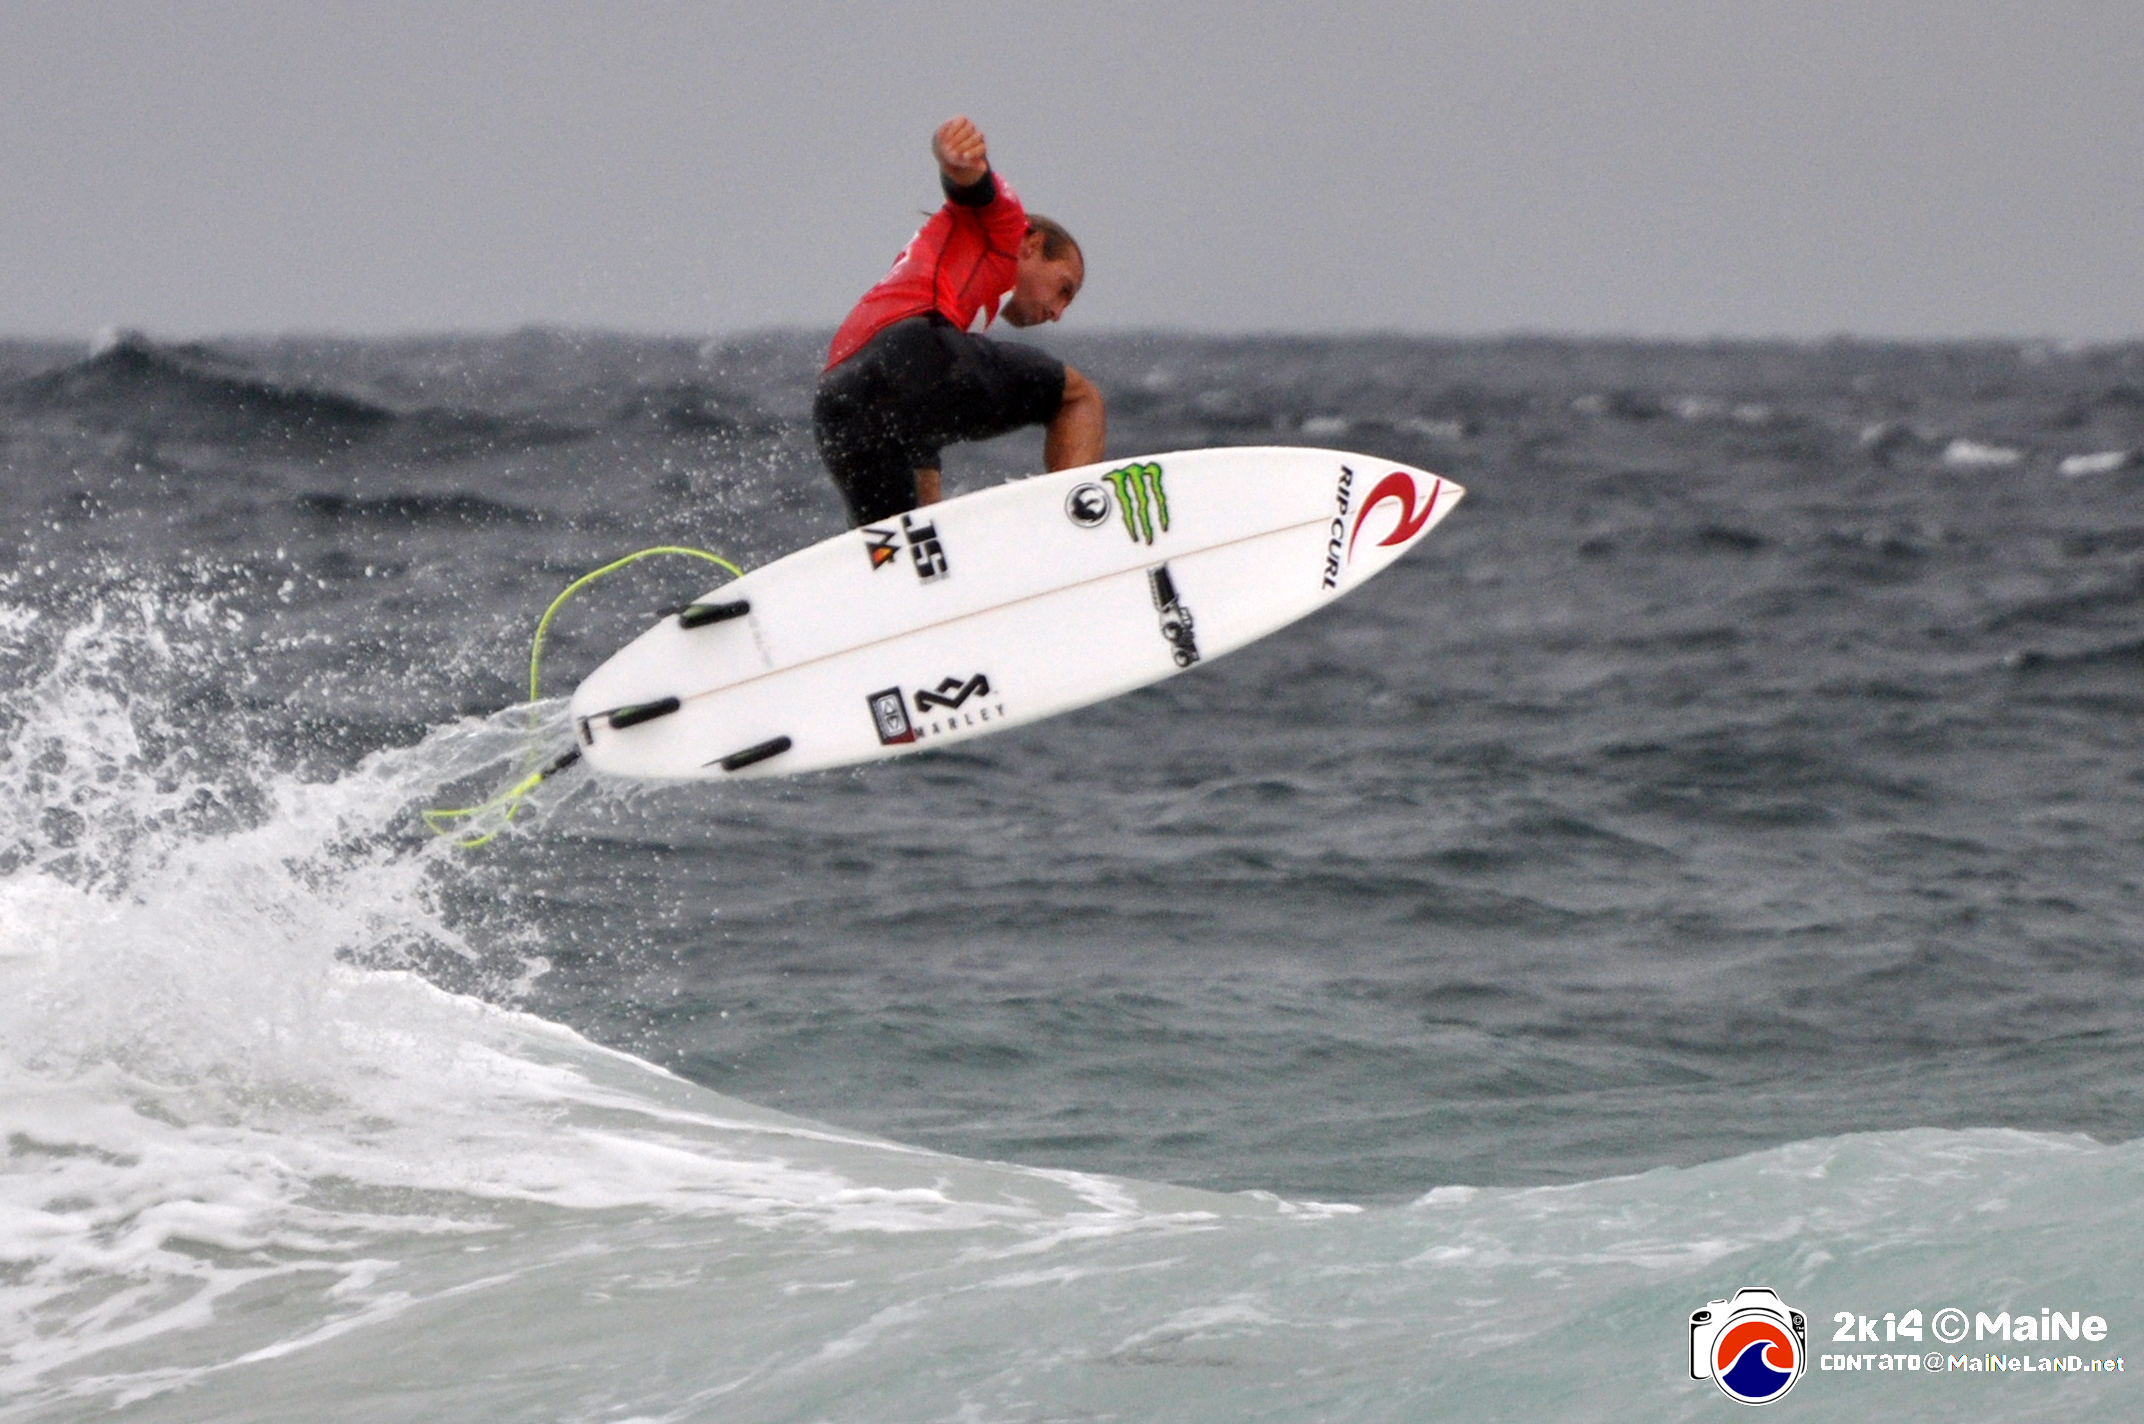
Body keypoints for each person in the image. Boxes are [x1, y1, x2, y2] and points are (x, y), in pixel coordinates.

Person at [813, 116, 1105, 528]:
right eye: (1063, 289)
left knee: (897, 540)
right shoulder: (1006, 228)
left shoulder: (935, 273)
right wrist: (954, 157)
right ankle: (1078, 523)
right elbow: (970, 184)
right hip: (909, 348)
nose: (1057, 313)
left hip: (837, 400)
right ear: (1033, 245)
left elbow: (915, 422)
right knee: (1077, 397)